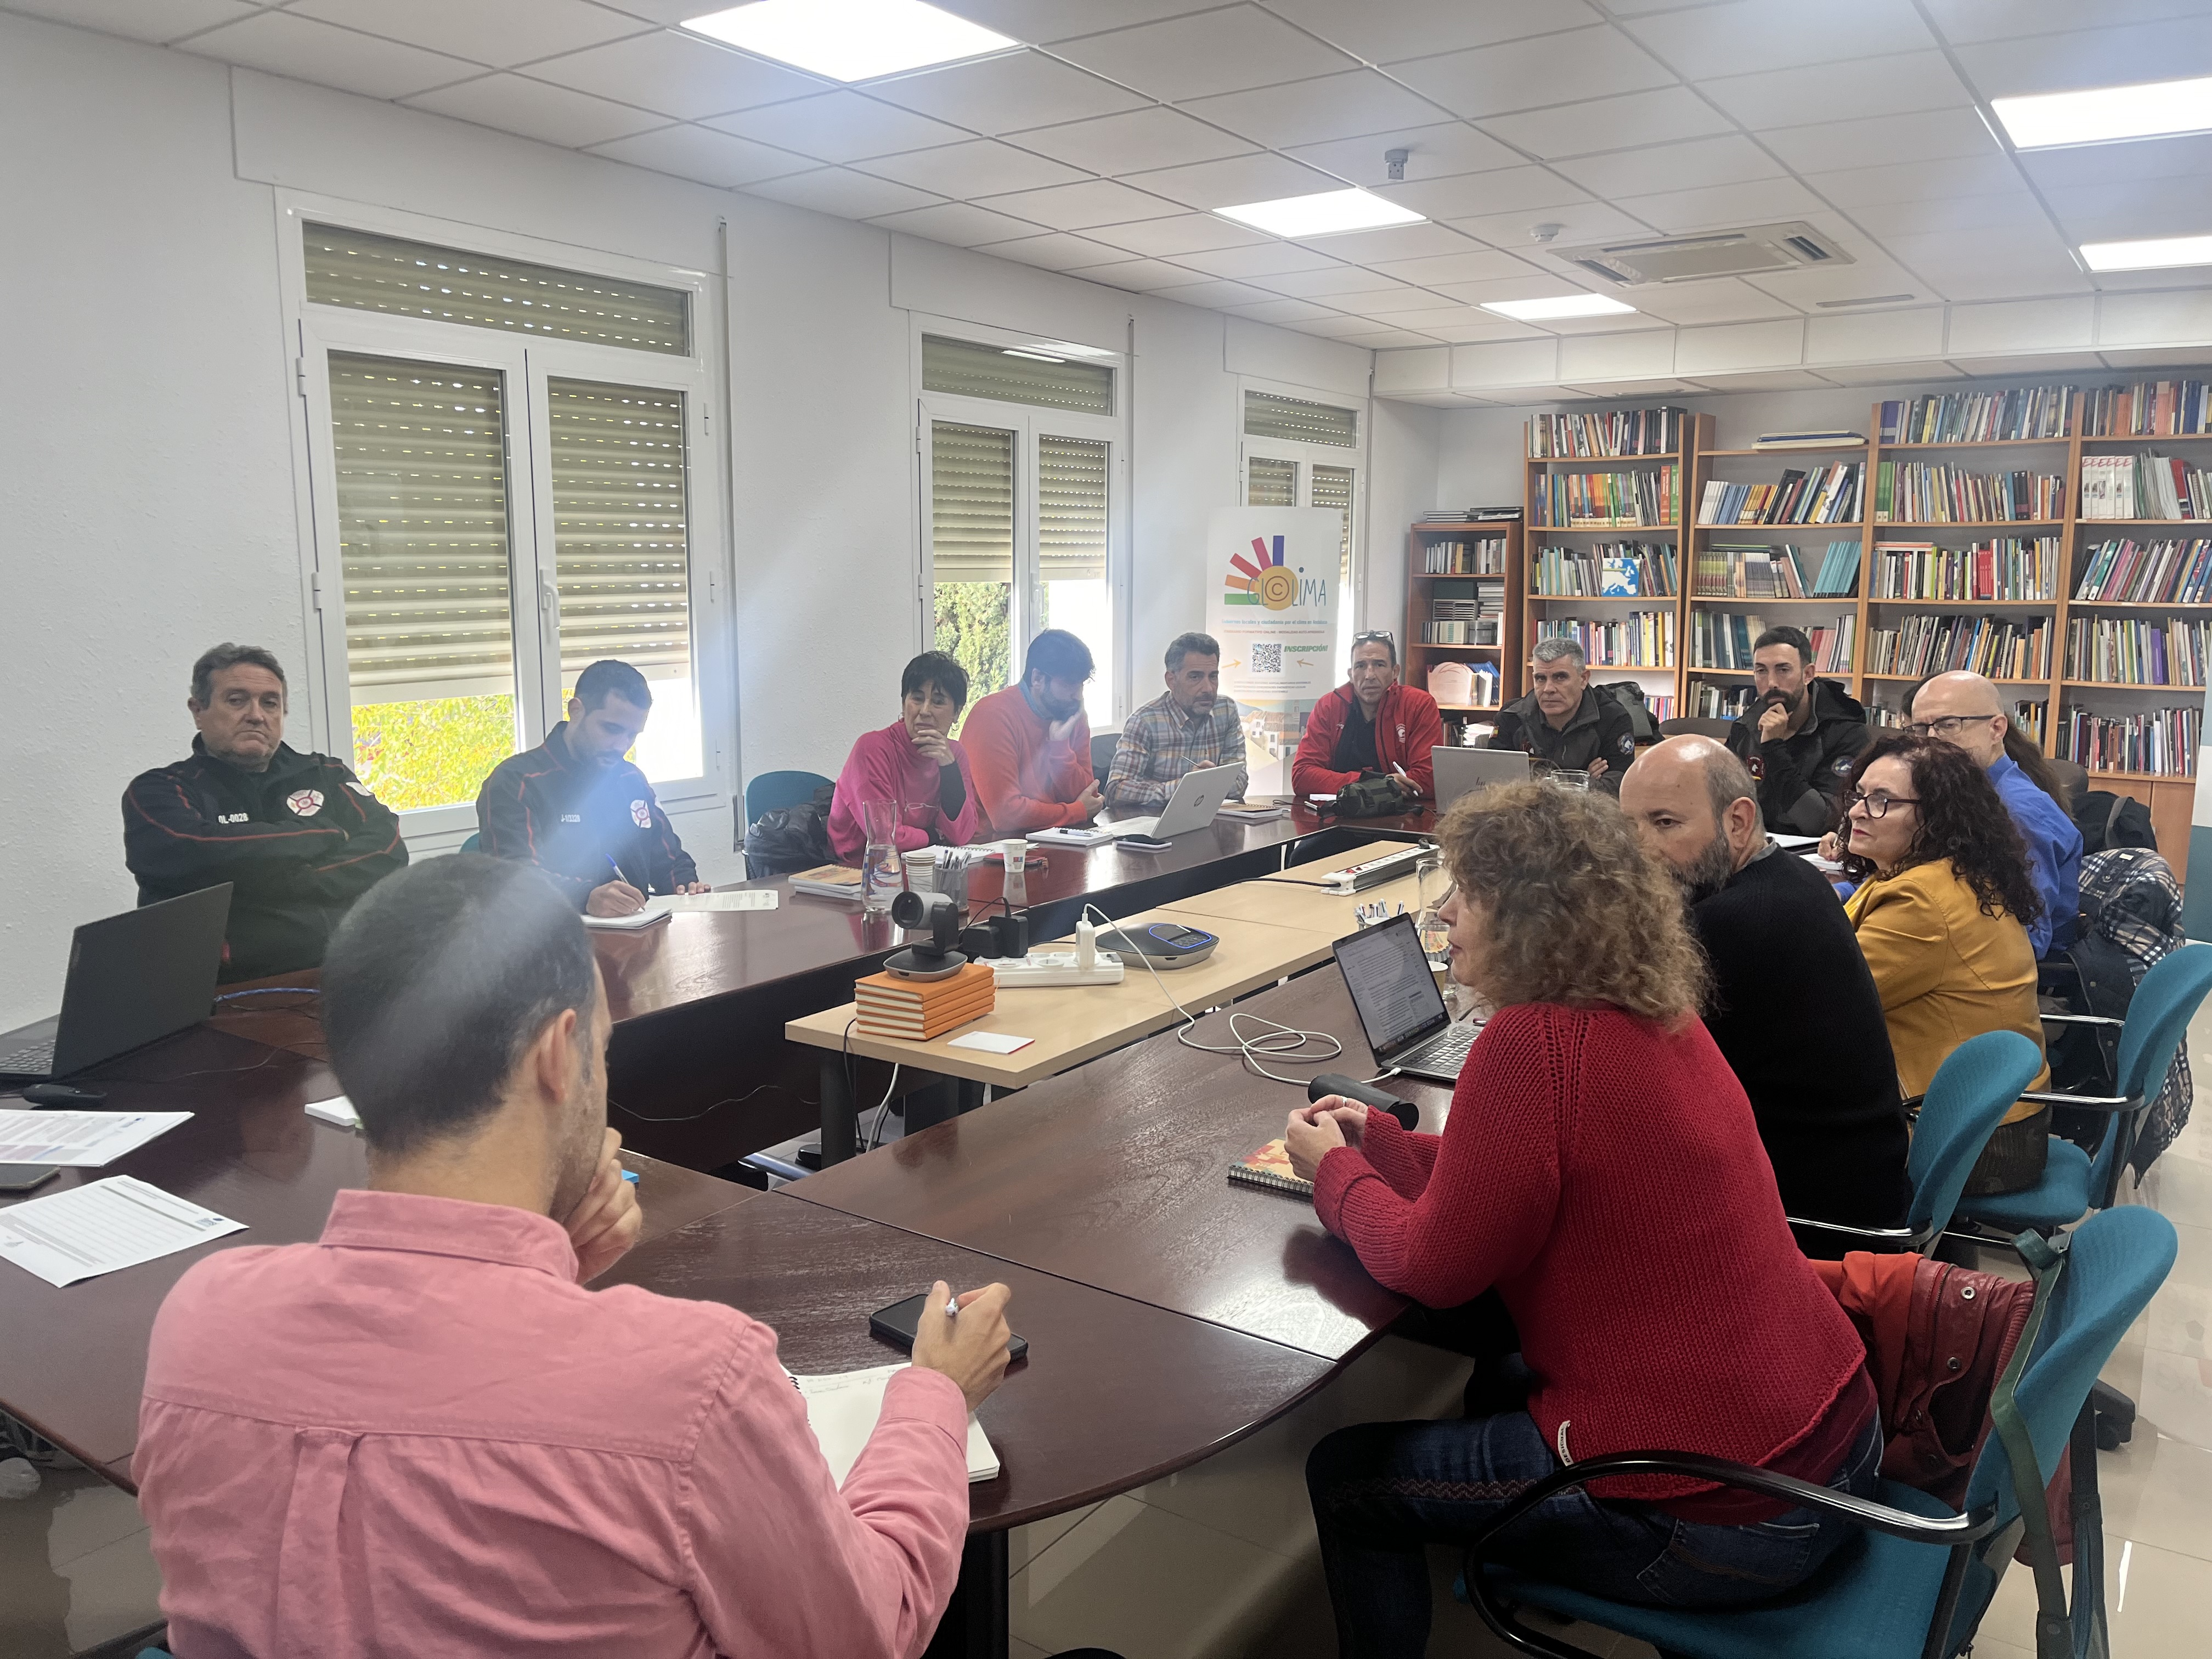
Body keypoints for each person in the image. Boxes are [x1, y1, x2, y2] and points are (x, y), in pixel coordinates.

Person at [133, 854, 1018, 1658]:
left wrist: (550, 1263)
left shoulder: (202, 1320)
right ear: (559, 1054)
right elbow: (867, 1631)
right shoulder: (694, 1384)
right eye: (600, 1048)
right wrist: (936, 1393)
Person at [1288, 783, 1878, 1657]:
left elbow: (1430, 1267)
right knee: (1503, 1374)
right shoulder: (1656, 1009)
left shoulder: (1531, 1041)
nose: (1444, 914)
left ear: (1529, 917)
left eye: (1466, 893)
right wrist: (1379, 1139)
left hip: (1733, 1521)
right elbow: (1511, 1172)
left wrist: (1334, 1174)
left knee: (1347, 1480)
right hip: (1838, 1451)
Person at [1618, 737, 1910, 1248]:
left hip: (1809, 1220)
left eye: (1665, 823)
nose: (1639, 849)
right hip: (1857, 1178)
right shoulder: (1791, 878)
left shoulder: (1732, 923)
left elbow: (1630, 1082)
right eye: (1629, 827)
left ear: (1738, 821)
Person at [1838, 733, 2051, 1195]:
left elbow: (1828, 1003)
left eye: (1882, 801)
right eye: (1859, 795)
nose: (1856, 812)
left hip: (1969, 1140)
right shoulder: (1937, 872)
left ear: (1936, 816)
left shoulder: (1921, 900)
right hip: (1993, 1116)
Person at [122, 642, 407, 982]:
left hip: (347, 972)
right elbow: (195, 852)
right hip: (226, 991)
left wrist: (292, 879)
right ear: (198, 711)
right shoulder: (159, 790)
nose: (256, 715)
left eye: (270, 703)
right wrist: (327, 834)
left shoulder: (327, 774)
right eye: (236, 700)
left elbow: (388, 849)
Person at [476, 659, 707, 917]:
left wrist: (685, 886)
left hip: (636, 930)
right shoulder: (517, 782)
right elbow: (515, 880)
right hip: (553, 934)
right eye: (611, 729)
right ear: (576, 711)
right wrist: (585, 898)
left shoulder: (631, 779)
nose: (621, 746)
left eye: (632, 735)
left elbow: (669, 859)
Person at [1905, 671, 2081, 957]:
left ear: (1997, 729)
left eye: (1948, 725)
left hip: (2007, 968)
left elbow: (2026, 937)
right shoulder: (1960, 792)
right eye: (1921, 729)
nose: (1931, 740)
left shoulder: (2018, 812)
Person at [828, 651, 981, 864]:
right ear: (903, 704)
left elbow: (961, 835)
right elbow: (884, 837)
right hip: (857, 868)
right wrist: (933, 837)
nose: (925, 711)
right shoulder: (872, 748)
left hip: (921, 863)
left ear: (957, 713)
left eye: (938, 702)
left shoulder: (954, 755)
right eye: (917, 699)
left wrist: (949, 770)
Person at [1723, 625, 1868, 834]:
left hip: (1812, 850)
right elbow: (1721, 801)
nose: (1772, 683)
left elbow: (1821, 823)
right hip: (1752, 845)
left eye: (1783, 670)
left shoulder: (1845, 732)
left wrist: (1773, 748)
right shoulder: (1746, 727)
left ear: (1808, 674)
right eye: (1761, 671)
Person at [960, 629, 1104, 834]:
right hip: (995, 844)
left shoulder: (1073, 714)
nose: (1078, 696)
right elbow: (1005, 815)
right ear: (1037, 679)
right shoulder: (992, 715)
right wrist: (1076, 811)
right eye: (1069, 684)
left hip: (1058, 836)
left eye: (1081, 684)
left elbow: (1089, 798)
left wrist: (1060, 748)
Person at [1291, 630, 1444, 799]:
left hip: (1401, 812)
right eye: (1361, 666)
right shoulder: (1329, 706)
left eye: (1379, 665)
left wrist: (1356, 785)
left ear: (1395, 672)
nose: (1369, 675)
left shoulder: (1418, 705)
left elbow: (1427, 780)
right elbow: (1302, 776)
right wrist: (1378, 784)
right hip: (1339, 810)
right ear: (1351, 674)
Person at [1104, 631, 1248, 812]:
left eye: (1213, 676)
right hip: (1156, 823)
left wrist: (1205, 783)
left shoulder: (1225, 710)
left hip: (1209, 820)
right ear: (1171, 680)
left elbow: (1239, 782)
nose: (1208, 688)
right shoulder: (1145, 721)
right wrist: (1186, 786)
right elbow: (1115, 791)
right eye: (1195, 677)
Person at [1485, 636, 1637, 794]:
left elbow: (1619, 787)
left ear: (1583, 679)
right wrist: (1579, 780)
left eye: (1560, 677)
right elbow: (1493, 781)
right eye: (1541, 679)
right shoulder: (1511, 716)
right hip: (1526, 809)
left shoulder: (1613, 718)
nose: (1548, 689)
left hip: (1585, 811)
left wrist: (1534, 782)